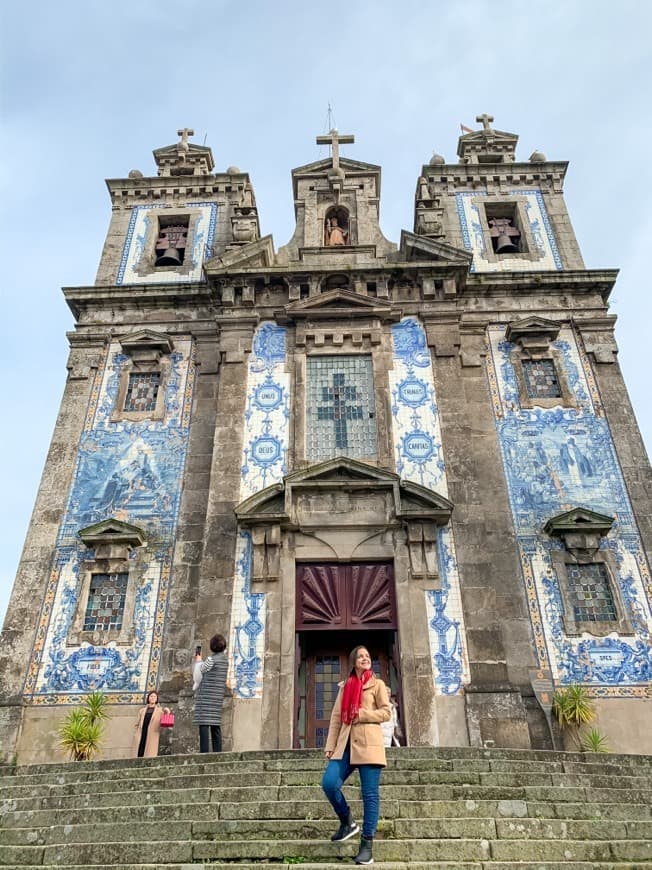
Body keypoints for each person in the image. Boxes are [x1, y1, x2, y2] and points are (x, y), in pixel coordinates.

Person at [321, 645, 391, 866]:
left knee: (370, 795)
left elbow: (386, 712)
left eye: (368, 656)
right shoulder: (345, 687)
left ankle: (367, 844)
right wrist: (330, 745)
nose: (365, 658)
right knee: (329, 783)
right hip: (346, 744)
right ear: (353, 661)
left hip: (369, 745)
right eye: (361, 656)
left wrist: (362, 714)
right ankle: (347, 822)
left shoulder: (377, 684)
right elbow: (335, 718)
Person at [193, 633, 228, 753]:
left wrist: (198, 660)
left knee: (204, 724)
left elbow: (201, 670)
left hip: (207, 697)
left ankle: (204, 753)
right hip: (217, 697)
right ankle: (217, 752)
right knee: (215, 725)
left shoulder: (211, 659)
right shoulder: (225, 661)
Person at [134, 690, 170, 758]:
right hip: (141, 733)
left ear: (156, 699)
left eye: (154, 696)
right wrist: (136, 733)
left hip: (152, 735)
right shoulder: (142, 710)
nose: (152, 698)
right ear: (148, 698)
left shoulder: (160, 711)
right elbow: (137, 724)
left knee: (149, 755)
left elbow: (164, 723)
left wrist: (167, 712)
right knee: (139, 752)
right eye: (151, 696)